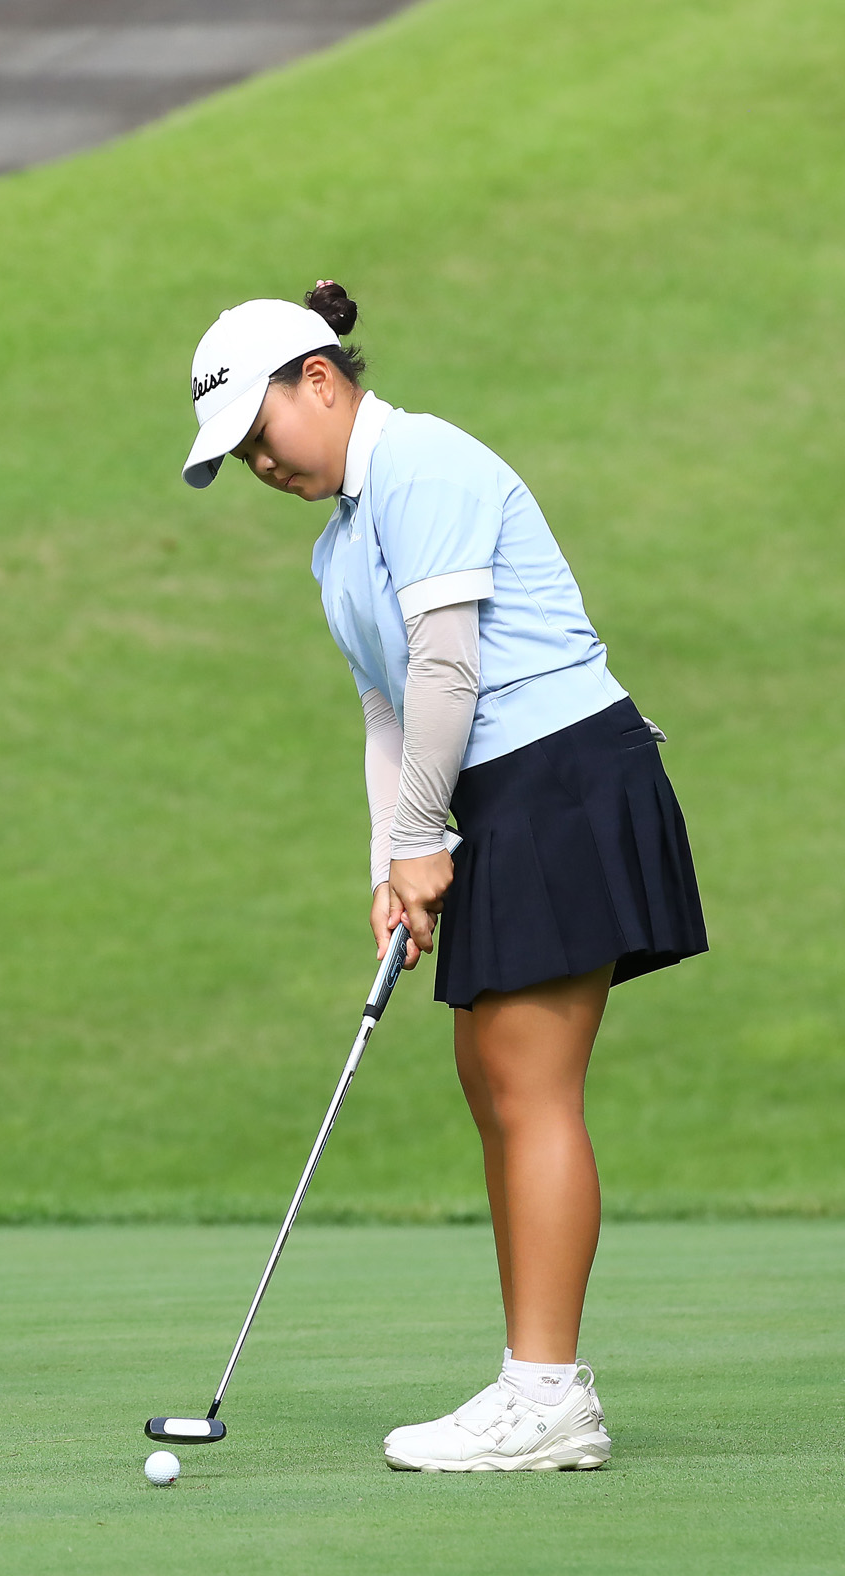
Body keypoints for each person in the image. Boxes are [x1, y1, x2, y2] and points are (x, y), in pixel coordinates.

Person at [180, 283, 706, 1471]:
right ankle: (533, 1381)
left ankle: (547, 1394)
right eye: (237, 454)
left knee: (530, 1086)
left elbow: (447, 668)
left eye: (259, 429)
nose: (258, 462)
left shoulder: (420, 463)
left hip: (559, 774)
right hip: (500, 798)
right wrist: (392, 860)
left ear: (320, 378)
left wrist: (426, 837)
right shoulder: (336, 548)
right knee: (494, 1082)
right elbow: (387, 711)